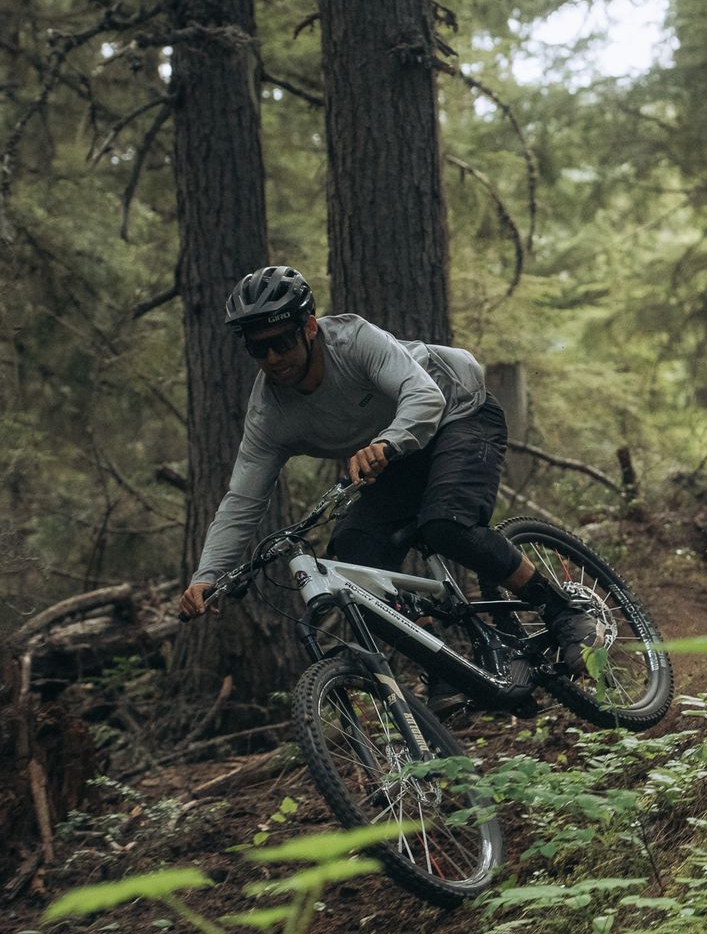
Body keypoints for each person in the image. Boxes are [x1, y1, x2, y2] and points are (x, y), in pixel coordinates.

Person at [177, 265, 597, 688]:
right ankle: (445, 670)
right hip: (396, 452)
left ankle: (563, 611)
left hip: (457, 411)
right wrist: (207, 575)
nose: (272, 359)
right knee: (353, 561)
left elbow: (424, 396)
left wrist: (386, 444)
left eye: (281, 342)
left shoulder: (353, 340)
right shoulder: (269, 413)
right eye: (257, 349)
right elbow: (242, 501)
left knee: (447, 525)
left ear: (308, 327)